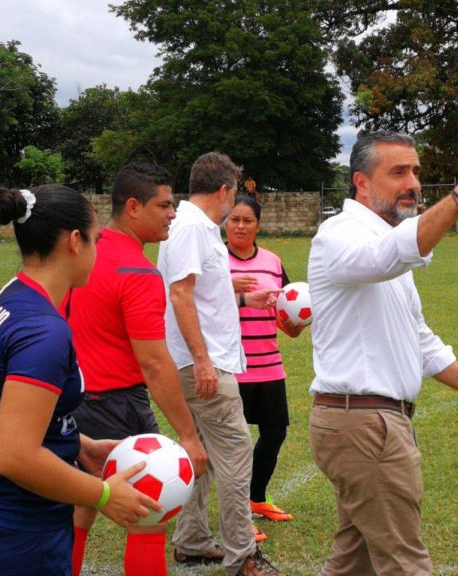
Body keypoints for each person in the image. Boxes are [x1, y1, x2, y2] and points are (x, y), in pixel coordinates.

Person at [308, 112, 458, 576]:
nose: (413, 182)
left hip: (370, 422)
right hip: (364, 426)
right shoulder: (340, 236)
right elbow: (391, 256)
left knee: (353, 563)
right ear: (360, 182)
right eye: (398, 173)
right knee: (406, 566)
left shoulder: (384, 241)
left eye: (415, 171)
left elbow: (420, 341)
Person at [0, 185, 159, 576]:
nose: (98, 249)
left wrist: (80, 445)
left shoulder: (12, 297)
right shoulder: (43, 331)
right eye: (96, 239)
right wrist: (104, 494)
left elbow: (4, 411)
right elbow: (15, 455)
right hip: (12, 538)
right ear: (75, 241)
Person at [63, 163, 209, 576]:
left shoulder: (76, 252)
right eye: (163, 205)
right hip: (118, 404)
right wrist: (187, 434)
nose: (172, 214)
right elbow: (154, 361)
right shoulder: (138, 271)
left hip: (64, 401)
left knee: (77, 511)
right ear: (132, 207)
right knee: (150, 517)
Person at [157, 152, 284, 576]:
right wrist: (203, 361)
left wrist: (236, 292)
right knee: (235, 451)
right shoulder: (193, 227)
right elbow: (179, 296)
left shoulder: (197, 227)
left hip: (200, 362)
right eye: (235, 192)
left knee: (206, 454)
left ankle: (192, 541)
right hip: (203, 367)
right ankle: (243, 556)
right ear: (225, 190)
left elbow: (198, 290)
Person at [225, 195, 306, 522]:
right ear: (225, 223)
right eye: (234, 220)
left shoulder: (273, 262)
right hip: (233, 369)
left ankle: (256, 497)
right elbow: (203, 305)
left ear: (259, 225)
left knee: (275, 433)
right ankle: (237, 513)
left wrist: (295, 325)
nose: (240, 226)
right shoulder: (216, 260)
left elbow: (285, 313)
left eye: (248, 221)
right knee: (235, 445)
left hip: (269, 366)